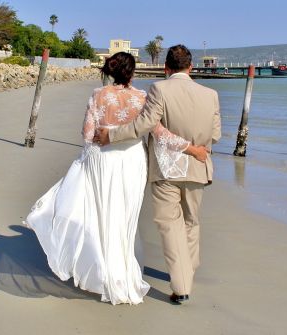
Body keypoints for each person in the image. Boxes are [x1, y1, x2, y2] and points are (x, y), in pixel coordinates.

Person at [24, 52, 207, 305]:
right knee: (125, 219)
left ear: (111, 72)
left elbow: (87, 134)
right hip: (132, 162)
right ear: (132, 73)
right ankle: (123, 277)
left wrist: (90, 156)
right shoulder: (143, 98)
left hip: (103, 160)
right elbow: (161, 134)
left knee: (104, 217)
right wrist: (192, 148)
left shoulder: (98, 96)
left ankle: (104, 275)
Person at [96, 45, 221, 304]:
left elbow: (144, 124)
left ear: (166, 67)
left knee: (169, 224)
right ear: (191, 67)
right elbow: (216, 135)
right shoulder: (211, 94)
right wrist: (196, 148)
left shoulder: (159, 89)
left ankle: (182, 284)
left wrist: (112, 135)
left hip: (167, 168)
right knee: (191, 221)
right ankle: (188, 269)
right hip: (198, 164)